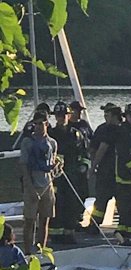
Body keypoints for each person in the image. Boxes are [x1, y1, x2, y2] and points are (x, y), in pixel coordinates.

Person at [48, 101, 88, 244]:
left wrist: (83, 167)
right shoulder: (50, 134)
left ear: (69, 115)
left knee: (72, 204)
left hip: (72, 175)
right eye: (58, 115)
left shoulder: (76, 134)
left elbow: (84, 153)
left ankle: (69, 233)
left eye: (64, 115)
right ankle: (56, 234)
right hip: (56, 176)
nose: (61, 118)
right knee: (57, 203)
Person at [19, 111, 58, 255]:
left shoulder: (52, 143)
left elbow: (52, 164)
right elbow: (24, 166)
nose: (38, 126)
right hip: (32, 184)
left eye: (41, 123)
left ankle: (41, 250)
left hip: (47, 184)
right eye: (36, 124)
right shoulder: (27, 142)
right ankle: (28, 252)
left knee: (45, 220)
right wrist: (30, 188)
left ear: (47, 124)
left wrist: (56, 167)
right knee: (29, 221)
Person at [87, 103, 123, 232]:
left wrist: (93, 166)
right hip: (107, 170)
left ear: (115, 116)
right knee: (101, 200)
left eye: (107, 115)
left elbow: (102, 149)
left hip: (118, 171)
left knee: (121, 201)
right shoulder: (103, 129)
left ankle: (122, 226)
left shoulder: (118, 129)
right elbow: (93, 149)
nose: (105, 117)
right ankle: (95, 224)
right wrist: (93, 165)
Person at [111, 103, 131, 240]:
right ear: (126, 116)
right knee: (124, 207)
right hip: (124, 176)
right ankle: (123, 232)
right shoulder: (121, 131)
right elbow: (123, 152)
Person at [67, 100, 92, 205]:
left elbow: (92, 138)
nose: (80, 113)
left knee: (83, 189)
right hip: (72, 162)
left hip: (84, 160)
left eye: (81, 111)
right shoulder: (67, 126)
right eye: (78, 111)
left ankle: (81, 209)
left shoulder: (84, 124)